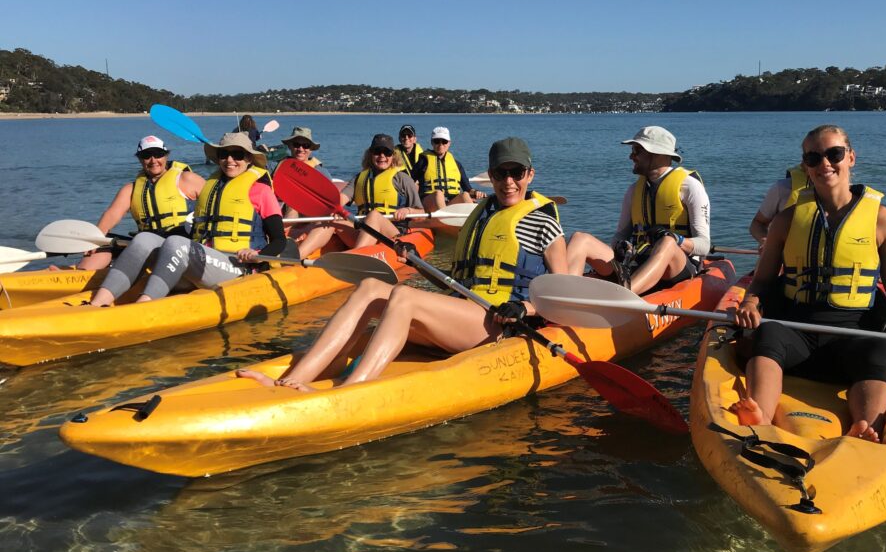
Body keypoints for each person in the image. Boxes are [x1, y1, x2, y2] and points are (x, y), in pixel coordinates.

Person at [238, 137, 566, 391]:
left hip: (499, 327)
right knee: (370, 287)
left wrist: (524, 308)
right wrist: (419, 263)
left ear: (529, 174)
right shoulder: (479, 215)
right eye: (500, 173)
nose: (509, 182)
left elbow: (563, 296)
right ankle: (292, 380)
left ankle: (353, 390)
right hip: (463, 315)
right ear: (491, 176)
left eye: (516, 173)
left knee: (405, 296)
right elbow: (463, 277)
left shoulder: (544, 223)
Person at [730, 124, 886, 442]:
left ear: (851, 158)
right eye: (814, 158)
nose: (824, 163)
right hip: (796, 327)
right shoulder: (786, 220)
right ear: (805, 167)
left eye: (834, 154)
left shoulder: (882, 220)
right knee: (769, 334)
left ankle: (866, 426)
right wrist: (749, 302)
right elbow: (763, 280)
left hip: (852, 332)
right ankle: (760, 415)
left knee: (880, 348)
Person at [88, 133, 286, 306]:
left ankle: (144, 305)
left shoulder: (261, 191)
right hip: (203, 262)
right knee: (144, 239)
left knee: (177, 243)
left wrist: (257, 254)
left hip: (237, 267)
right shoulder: (210, 187)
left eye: (237, 154)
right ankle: (98, 302)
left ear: (249, 158)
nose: (230, 160)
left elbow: (279, 240)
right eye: (224, 154)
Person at [566, 126, 711, 295]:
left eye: (636, 151)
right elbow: (620, 235)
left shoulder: (690, 187)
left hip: (677, 269)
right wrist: (619, 244)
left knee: (667, 243)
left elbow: (704, 246)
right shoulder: (634, 191)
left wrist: (675, 239)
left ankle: (623, 297)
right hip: (637, 263)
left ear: (656, 153)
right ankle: (562, 297)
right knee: (580, 239)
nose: (631, 156)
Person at [71, 135, 206, 271]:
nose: (153, 160)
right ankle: (78, 276)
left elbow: (216, 202)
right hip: (147, 245)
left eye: (158, 154)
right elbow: (111, 215)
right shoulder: (130, 190)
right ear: (140, 159)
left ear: (166, 156)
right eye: (147, 155)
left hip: (181, 243)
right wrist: (95, 241)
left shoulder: (186, 179)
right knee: (104, 244)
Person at [295, 133, 424, 259]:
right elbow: (339, 202)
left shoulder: (403, 179)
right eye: (377, 152)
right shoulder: (359, 179)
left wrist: (407, 210)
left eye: (387, 153)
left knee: (374, 215)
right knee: (332, 217)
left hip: (392, 236)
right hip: (364, 233)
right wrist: (316, 223)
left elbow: (420, 213)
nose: (382, 156)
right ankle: (295, 257)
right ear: (370, 154)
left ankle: (354, 259)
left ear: (393, 156)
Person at [410, 126, 483, 212]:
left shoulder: (456, 164)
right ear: (432, 143)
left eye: (444, 141)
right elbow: (409, 181)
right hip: (429, 201)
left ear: (449, 143)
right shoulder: (423, 162)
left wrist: (475, 192)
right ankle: (444, 222)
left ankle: (473, 223)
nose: (440, 145)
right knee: (438, 194)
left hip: (450, 202)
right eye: (437, 141)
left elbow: (468, 188)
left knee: (465, 195)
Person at [748, 164, 809, 248]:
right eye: (814, 158)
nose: (825, 164)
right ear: (804, 163)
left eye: (832, 157)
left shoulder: (833, 194)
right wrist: (765, 241)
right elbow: (757, 223)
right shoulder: (783, 188)